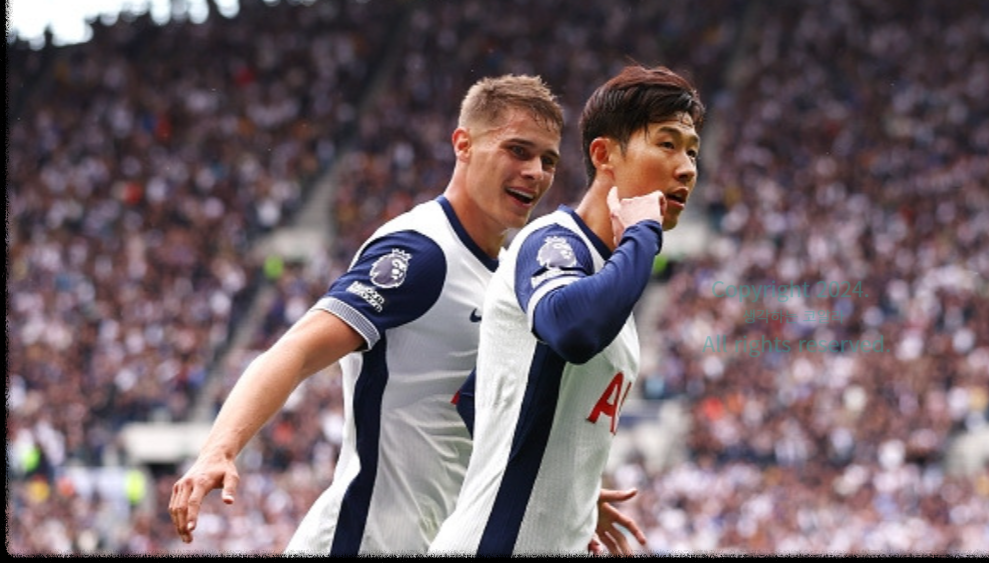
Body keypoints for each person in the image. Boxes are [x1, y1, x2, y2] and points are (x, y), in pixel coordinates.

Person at [168, 73, 645, 556]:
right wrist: (220, 448)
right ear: (463, 144)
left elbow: (480, 416)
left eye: (548, 160)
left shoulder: (508, 278)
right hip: (358, 541)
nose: (535, 172)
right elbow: (297, 350)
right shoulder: (422, 252)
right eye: (517, 151)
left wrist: (562, 495)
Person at [429, 63, 705, 556]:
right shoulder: (552, 241)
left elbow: (478, 397)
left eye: (692, 152)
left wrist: (564, 494)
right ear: (604, 154)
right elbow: (574, 329)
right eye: (667, 144)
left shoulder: (612, 289)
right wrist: (644, 231)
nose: (686, 168)